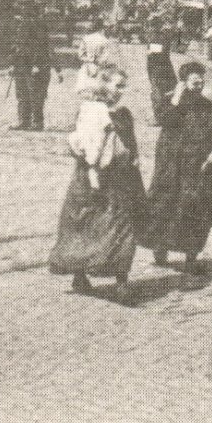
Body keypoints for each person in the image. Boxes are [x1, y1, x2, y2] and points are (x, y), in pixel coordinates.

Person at [48, 67, 147, 294]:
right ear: (104, 86)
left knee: (123, 226)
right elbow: (80, 144)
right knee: (86, 224)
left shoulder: (124, 114)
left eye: (123, 86)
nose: (122, 91)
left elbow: (131, 144)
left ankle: (122, 280)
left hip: (122, 178)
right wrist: (89, 163)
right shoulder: (90, 112)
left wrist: (135, 160)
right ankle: (79, 273)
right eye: (118, 85)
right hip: (93, 177)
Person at [142, 61, 212, 270]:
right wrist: (177, 100)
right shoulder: (174, 101)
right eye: (193, 82)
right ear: (184, 82)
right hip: (172, 165)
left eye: (200, 81)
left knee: (196, 207)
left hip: (199, 166)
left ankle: (191, 255)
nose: (198, 86)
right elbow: (165, 120)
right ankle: (159, 248)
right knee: (165, 205)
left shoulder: (209, 105)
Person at [8, 0, 54, 131]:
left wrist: (36, 64)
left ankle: (37, 123)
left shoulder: (40, 25)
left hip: (34, 64)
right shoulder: (20, 25)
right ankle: (24, 121)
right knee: (22, 93)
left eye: (24, 8)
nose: (21, 11)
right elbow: (16, 45)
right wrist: (12, 63)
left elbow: (41, 46)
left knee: (35, 94)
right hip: (21, 64)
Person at [145, 32, 177, 126]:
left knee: (158, 94)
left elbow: (152, 57)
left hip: (158, 70)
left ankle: (159, 118)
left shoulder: (155, 39)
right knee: (168, 92)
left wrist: (150, 72)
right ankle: (168, 116)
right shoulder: (164, 37)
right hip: (167, 69)